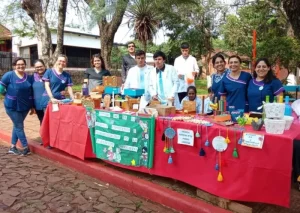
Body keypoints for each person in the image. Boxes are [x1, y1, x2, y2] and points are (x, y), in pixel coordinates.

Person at [0, 57, 33, 155]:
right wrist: (7, 95)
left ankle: (12, 147)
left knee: (17, 125)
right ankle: (25, 147)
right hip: (12, 106)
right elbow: (1, 88)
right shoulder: (9, 75)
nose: (20, 66)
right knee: (19, 126)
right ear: (14, 66)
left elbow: (30, 91)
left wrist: (31, 106)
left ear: (25, 65)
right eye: (18, 64)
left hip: (25, 107)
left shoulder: (28, 77)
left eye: (22, 64)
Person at [32, 59, 47, 125]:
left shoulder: (50, 75)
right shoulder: (32, 77)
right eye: (37, 67)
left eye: (41, 66)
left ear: (44, 66)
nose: (39, 68)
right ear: (35, 68)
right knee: (42, 121)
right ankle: (43, 135)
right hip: (38, 104)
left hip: (49, 104)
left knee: (51, 122)